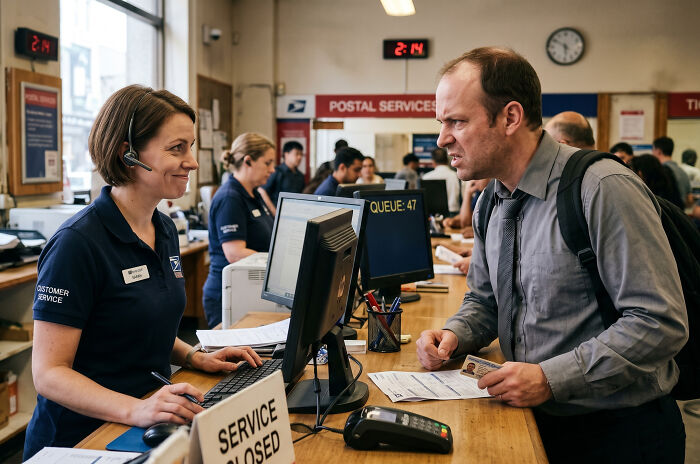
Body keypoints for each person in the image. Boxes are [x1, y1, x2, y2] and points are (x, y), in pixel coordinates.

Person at [416, 47, 687, 463]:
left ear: (510, 117)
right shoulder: (492, 199)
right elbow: (485, 301)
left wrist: (550, 377)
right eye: (441, 123)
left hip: (618, 432)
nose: (442, 139)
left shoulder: (601, 187)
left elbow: (660, 322)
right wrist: (455, 334)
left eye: (457, 121)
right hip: (530, 420)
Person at [24, 85, 262, 460]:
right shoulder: (77, 244)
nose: (193, 162)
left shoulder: (163, 228)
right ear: (128, 153)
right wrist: (137, 410)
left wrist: (195, 357)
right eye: (176, 148)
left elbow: (134, 323)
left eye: (191, 146)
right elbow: (50, 373)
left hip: (146, 419)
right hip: (83, 439)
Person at [203, 132, 276, 328]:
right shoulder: (230, 198)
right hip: (228, 294)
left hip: (251, 290)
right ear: (248, 161)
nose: (272, 169)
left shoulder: (254, 194)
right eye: (267, 163)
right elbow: (235, 254)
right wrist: (277, 265)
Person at [258, 140, 305, 215]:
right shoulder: (276, 172)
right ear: (286, 154)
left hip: (294, 215)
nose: (300, 157)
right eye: (297, 154)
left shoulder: (300, 175)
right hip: (275, 215)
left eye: (301, 154)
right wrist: (275, 212)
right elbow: (262, 190)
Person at [653, 136, 692, 207]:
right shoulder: (683, 172)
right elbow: (689, 200)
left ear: (658, 151)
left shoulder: (659, 172)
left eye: (653, 150)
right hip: (680, 214)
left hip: (664, 214)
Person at [422, 147, 461, 214]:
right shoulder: (458, 176)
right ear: (448, 161)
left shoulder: (425, 178)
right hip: (454, 215)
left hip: (432, 215)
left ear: (433, 162)